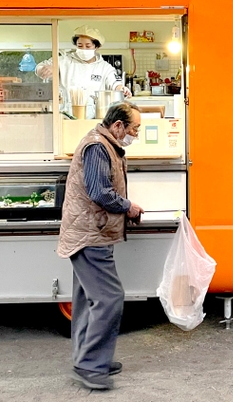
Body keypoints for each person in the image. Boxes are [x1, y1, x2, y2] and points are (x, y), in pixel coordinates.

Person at [57, 101, 144, 391]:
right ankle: (91, 365)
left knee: (86, 300)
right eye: (134, 129)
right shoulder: (97, 147)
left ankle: (87, 358)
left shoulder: (104, 144)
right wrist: (128, 207)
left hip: (90, 232)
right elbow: (99, 192)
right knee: (109, 298)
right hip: (89, 235)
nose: (136, 135)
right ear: (118, 126)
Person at [35, 26, 131, 116]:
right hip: (66, 115)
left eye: (88, 46)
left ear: (97, 47)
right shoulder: (64, 61)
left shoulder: (104, 67)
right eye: (80, 46)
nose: (83, 49)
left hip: (94, 117)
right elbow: (39, 68)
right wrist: (49, 68)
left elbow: (114, 83)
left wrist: (122, 89)